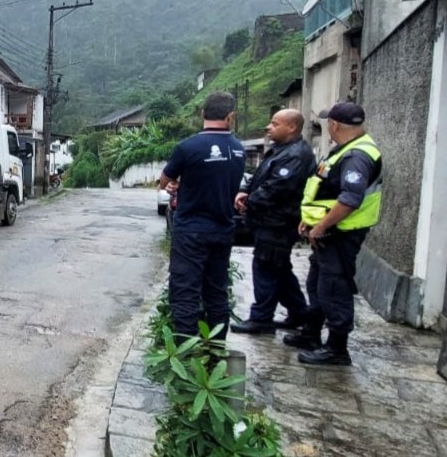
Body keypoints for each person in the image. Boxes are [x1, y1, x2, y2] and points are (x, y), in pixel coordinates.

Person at [283, 102, 382, 366]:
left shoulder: (356, 156)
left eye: (329, 123)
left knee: (334, 287)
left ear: (335, 125)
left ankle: (337, 348)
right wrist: (311, 220)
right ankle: (312, 333)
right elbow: (326, 192)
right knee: (318, 283)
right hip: (329, 232)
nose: (328, 127)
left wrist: (322, 225)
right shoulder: (347, 151)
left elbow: (350, 199)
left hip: (340, 235)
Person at [160, 91, 246, 339]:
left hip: (191, 231)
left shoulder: (187, 148)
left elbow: (165, 180)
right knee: (217, 292)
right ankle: (216, 349)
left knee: (185, 292)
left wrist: (175, 183)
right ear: (231, 117)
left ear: (202, 114)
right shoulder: (239, 150)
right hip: (223, 229)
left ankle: (186, 356)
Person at [230, 109, 316, 335]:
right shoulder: (280, 151)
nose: (268, 127)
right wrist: (244, 191)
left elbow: (278, 188)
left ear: (292, 128)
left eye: (275, 124)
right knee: (279, 269)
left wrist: (250, 200)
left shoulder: (296, 155)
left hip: (278, 223)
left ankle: (261, 318)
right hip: (269, 221)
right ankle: (299, 312)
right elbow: (261, 178)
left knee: (266, 269)